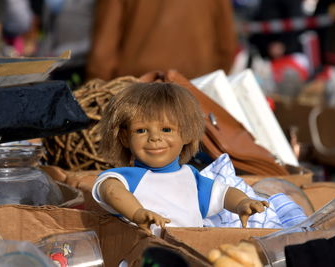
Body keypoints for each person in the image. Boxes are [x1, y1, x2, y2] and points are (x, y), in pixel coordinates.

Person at [91, 82, 268, 235]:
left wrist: (242, 203)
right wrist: (137, 213)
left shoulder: (191, 177)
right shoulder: (128, 177)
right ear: (124, 138)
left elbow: (224, 193)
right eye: (141, 130)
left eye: (166, 130)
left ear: (186, 134)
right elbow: (111, 190)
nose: (154, 138)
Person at [85, 0, 237, 81]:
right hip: (195, 91)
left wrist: (97, 98)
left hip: (137, 92)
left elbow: (102, 54)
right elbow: (226, 47)